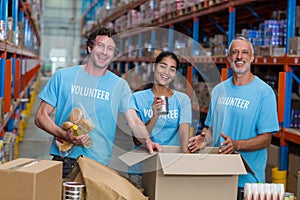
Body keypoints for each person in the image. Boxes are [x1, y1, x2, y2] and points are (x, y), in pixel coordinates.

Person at [34, 25, 162, 178]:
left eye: (110, 49)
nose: (104, 52)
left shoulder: (119, 86)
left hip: (99, 164)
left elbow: (134, 120)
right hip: (65, 160)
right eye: (100, 46)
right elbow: (40, 117)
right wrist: (64, 135)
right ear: (90, 48)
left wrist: (147, 140)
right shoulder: (63, 76)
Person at [188, 36, 279, 189]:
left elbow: (266, 139)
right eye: (235, 52)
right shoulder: (218, 90)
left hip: (248, 179)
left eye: (244, 52)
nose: (239, 57)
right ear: (229, 57)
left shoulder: (264, 92)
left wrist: (236, 145)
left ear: (252, 58)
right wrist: (204, 139)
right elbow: (211, 128)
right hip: (218, 174)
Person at [129, 51, 192, 185]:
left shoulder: (182, 100)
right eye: (163, 66)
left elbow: (184, 129)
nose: (167, 72)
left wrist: (186, 155)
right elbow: (136, 141)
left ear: (175, 74)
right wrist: (155, 116)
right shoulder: (137, 98)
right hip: (141, 168)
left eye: (172, 69)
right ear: (154, 67)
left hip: (169, 167)